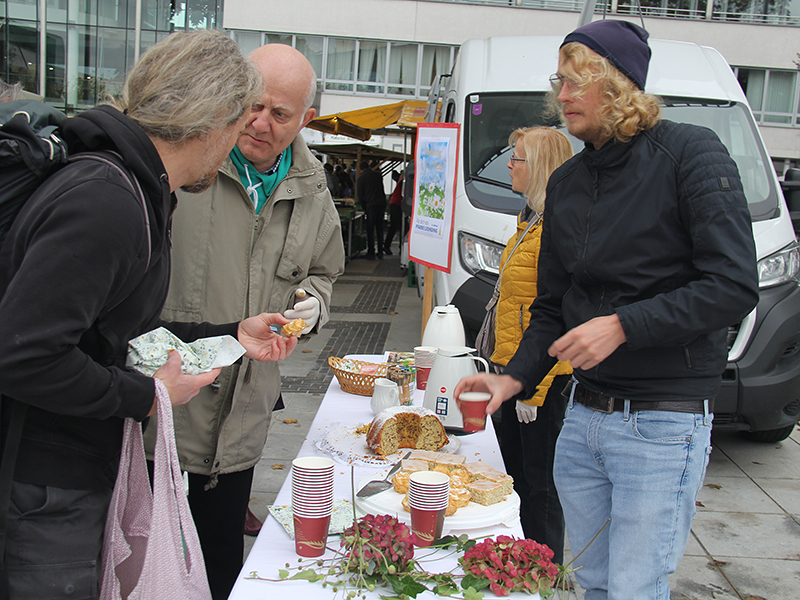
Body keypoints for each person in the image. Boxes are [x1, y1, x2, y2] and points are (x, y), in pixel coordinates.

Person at [455, 19, 758, 599]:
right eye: (559, 82)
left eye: (576, 81)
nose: (562, 95)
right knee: (592, 583)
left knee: (634, 588)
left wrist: (623, 325)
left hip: (662, 421)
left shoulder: (690, 153)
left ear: (618, 85)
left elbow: (733, 285)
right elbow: (552, 306)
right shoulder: (568, 182)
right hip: (583, 417)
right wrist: (512, 379)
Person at [0, 29, 300, 599]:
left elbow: (115, 333)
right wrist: (147, 396)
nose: (238, 141)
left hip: (66, 473)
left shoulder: (134, 186)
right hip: (41, 489)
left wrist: (229, 335)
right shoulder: (108, 198)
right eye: (240, 122)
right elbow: (24, 355)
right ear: (213, 122)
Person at [144, 43, 346, 600]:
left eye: (279, 114)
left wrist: (312, 303)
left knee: (218, 571)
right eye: (253, 105)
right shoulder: (187, 162)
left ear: (306, 119)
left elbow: (325, 271)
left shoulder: (313, 187)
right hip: (161, 418)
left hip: (242, 424)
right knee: (146, 572)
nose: (259, 123)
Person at [491, 127, 573, 564]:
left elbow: (555, 316)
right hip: (515, 372)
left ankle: (545, 571)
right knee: (516, 477)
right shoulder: (532, 220)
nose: (509, 165)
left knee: (539, 486)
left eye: (516, 158)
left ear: (538, 167)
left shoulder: (555, 230)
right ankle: (519, 566)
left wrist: (533, 390)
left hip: (540, 383)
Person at [356, 160, 386, 260]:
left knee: (370, 228)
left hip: (371, 205)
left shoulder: (361, 178)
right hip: (381, 203)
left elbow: (360, 195)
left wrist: (364, 207)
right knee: (380, 228)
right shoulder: (377, 175)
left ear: (360, 169)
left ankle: (371, 251)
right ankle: (380, 251)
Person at [382, 169, 403, 255]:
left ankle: (388, 246)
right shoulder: (403, 182)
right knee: (397, 226)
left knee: (395, 226)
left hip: (395, 204)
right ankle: (388, 246)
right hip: (397, 205)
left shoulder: (401, 181)